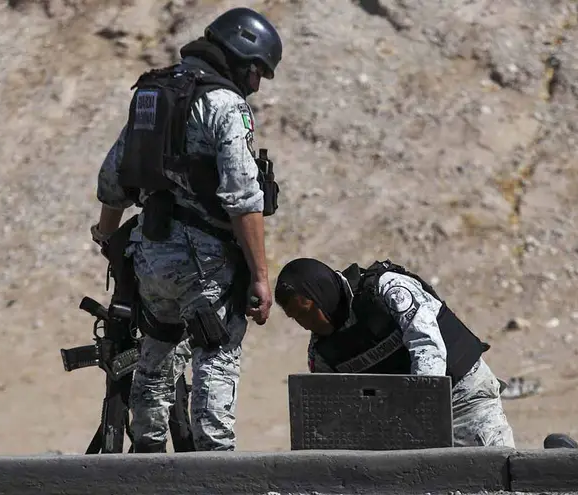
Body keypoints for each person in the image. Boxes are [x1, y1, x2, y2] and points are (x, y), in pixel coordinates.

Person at [90, 7, 283, 452]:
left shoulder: (152, 94)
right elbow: (242, 198)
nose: (256, 84)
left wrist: (106, 236)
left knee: (156, 352)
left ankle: (147, 452)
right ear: (239, 56)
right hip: (205, 263)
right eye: (256, 71)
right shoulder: (224, 105)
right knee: (216, 353)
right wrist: (260, 275)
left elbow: (113, 179)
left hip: (151, 256)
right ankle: (214, 463)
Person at [274, 257, 516, 448]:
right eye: (296, 318)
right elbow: (335, 409)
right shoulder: (323, 352)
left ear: (322, 293)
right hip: (406, 425)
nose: (305, 323)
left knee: (492, 473)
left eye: (307, 311)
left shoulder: (389, 290)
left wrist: (418, 416)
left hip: (465, 399)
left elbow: (427, 349)